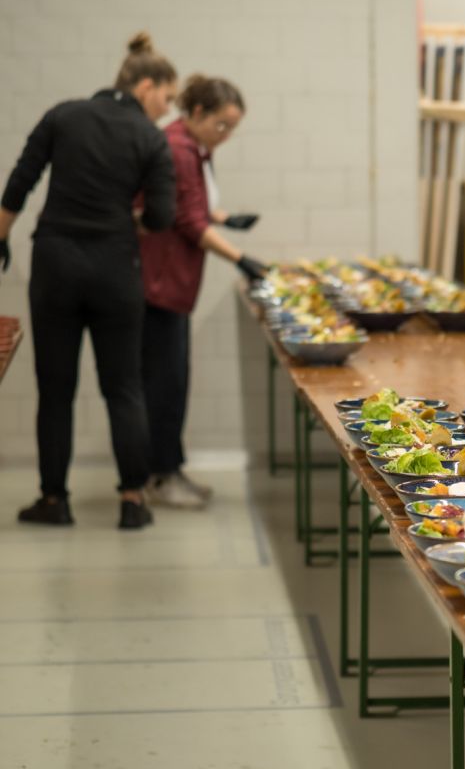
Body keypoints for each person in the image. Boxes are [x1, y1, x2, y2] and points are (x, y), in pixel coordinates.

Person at [0, 32, 177, 530]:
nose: (167, 109)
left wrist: (2, 236)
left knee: (54, 389)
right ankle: (132, 501)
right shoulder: (150, 138)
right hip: (116, 268)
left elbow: (21, 179)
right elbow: (162, 217)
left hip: (55, 263)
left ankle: (54, 501)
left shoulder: (63, 115)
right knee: (124, 387)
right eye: (166, 97)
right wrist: (125, 224)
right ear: (145, 86)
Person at [140, 75, 267, 509]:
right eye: (221, 125)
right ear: (196, 113)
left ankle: (166, 472)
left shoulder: (192, 145)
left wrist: (225, 218)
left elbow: (192, 206)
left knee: (170, 381)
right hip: (159, 283)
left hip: (169, 281)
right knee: (165, 384)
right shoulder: (178, 148)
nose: (225, 136)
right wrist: (241, 258)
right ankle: (161, 477)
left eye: (232, 128)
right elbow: (190, 224)